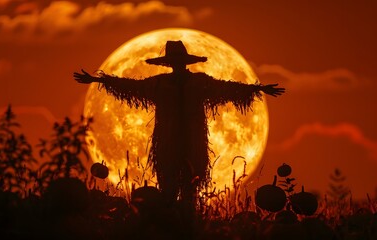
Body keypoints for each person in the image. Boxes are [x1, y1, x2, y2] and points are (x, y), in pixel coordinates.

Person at [74, 40, 284, 204]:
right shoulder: (159, 83)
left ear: (184, 62)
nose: (176, 64)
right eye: (174, 61)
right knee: (168, 187)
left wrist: (258, 89)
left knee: (191, 188)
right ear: (170, 63)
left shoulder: (200, 83)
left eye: (178, 61)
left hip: (194, 141)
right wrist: (99, 80)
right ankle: (171, 219)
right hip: (166, 141)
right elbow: (131, 87)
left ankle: (187, 220)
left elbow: (227, 89)